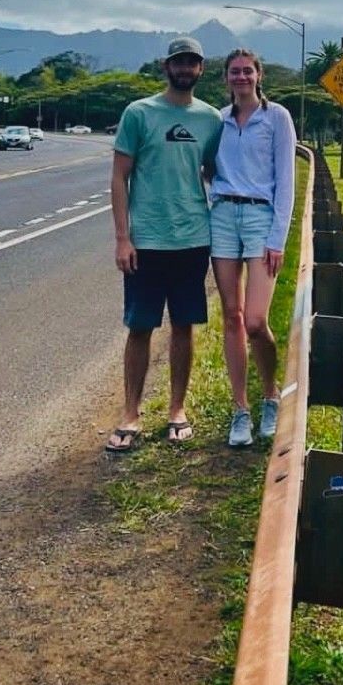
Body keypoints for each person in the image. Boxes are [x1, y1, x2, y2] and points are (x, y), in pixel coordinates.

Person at [104, 36, 222, 454]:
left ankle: (176, 409)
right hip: (147, 241)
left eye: (192, 62)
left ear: (201, 69)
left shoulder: (211, 120)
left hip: (193, 238)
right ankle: (130, 413)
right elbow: (120, 177)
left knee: (184, 326)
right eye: (178, 62)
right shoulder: (139, 113)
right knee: (139, 327)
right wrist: (123, 237)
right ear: (165, 66)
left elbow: (212, 173)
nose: (185, 68)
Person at [210, 48, 297, 447]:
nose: (241, 77)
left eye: (248, 71)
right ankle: (240, 409)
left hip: (261, 219)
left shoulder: (276, 117)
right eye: (234, 72)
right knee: (231, 315)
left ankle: (270, 394)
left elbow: (286, 182)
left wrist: (277, 238)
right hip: (224, 216)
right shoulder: (220, 121)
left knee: (255, 322)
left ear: (259, 75)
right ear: (226, 78)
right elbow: (206, 167)